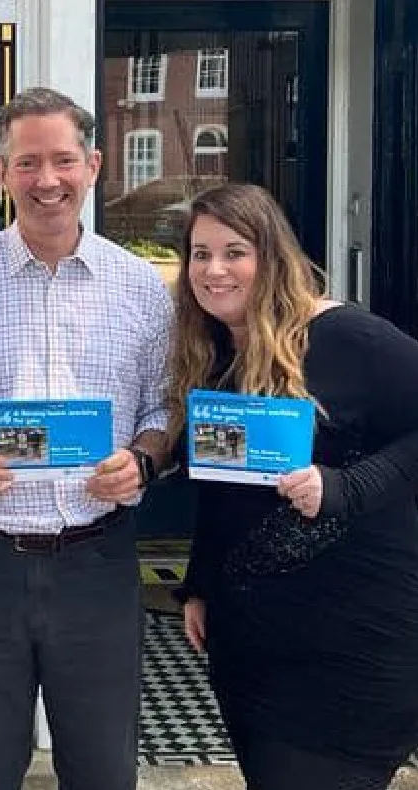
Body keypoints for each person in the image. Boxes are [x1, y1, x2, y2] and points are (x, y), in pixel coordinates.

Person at [0, 87, 173, 790]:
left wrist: (141, 463)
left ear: (92, 165)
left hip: (96, 563)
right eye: (28, 163)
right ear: (2, 173)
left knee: (100, 770)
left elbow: (162, 411)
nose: (47, 180)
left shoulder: (141, 288)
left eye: (63, 160)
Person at [172, 183, 418, 790]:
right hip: (253, 645)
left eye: (234, 252)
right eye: (200, 255)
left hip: (349, 643)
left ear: (272, 256)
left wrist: (345, 487)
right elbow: (224, 492)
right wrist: (200, 582)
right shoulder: (215, 354)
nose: (214, 269)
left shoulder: (348, 338)